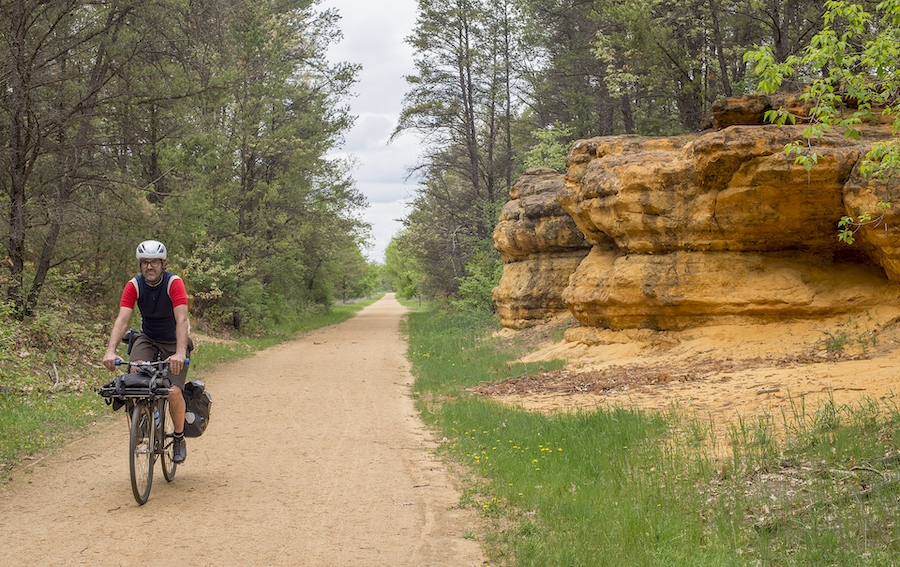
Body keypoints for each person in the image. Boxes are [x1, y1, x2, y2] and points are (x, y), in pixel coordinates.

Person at [103, 240, 191, 463]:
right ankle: (142, 419)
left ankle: (178, 437)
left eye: (154, 262)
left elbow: (181, 319)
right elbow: (122, 319)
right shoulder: (134, 285)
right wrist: (110, 351)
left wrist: (180, 352)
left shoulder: (174, 283)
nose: (149, 267)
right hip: (148, 338)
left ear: (163, 264)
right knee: (134, 376)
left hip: (173, 339)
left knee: (172, 391)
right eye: (145, 263)